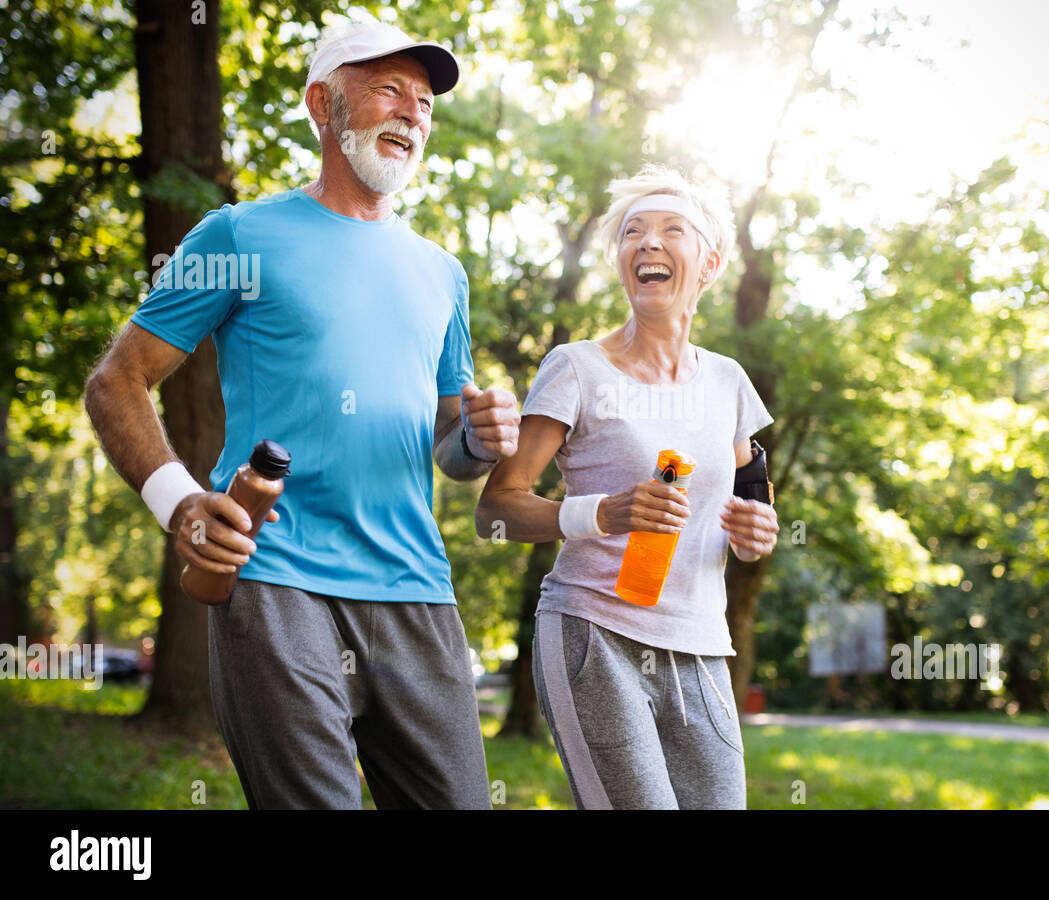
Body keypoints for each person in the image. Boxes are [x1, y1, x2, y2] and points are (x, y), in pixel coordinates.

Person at [83, 19, 521, 809]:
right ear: (324, 104)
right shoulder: (240, 234)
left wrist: (479, 442)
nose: (412, 114)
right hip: (279, 580)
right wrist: (181, 506)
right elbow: (117, 381)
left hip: (416, 589)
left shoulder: (442, 274)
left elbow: (449, 447)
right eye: (388, 89)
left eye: (423, 103)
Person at [475, 165, 780, 809]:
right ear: (621, 263)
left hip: (700, 647)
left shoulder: (728, 383)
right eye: (632, 233)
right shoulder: (576, 368)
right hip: (595, 632)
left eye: (672, 230)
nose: (648, 243)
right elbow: (495, 510)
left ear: (709, 263)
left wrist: (758, 533)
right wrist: (603, 513)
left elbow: (752, 488)